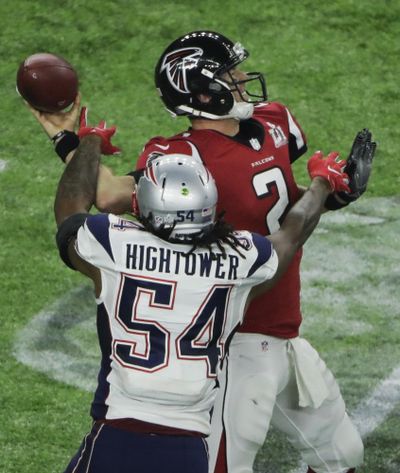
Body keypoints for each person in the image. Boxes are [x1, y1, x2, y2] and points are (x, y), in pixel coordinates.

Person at [26, 31, 365, 473]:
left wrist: (331, 194)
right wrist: (69, 141)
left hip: (284, 330)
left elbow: (278, 198)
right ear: (203, 92)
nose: (242, 78)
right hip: (231, 337)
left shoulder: (274, 120)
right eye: (229, 73)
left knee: (342, 455)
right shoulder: (182, 158)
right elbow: (109, 196)